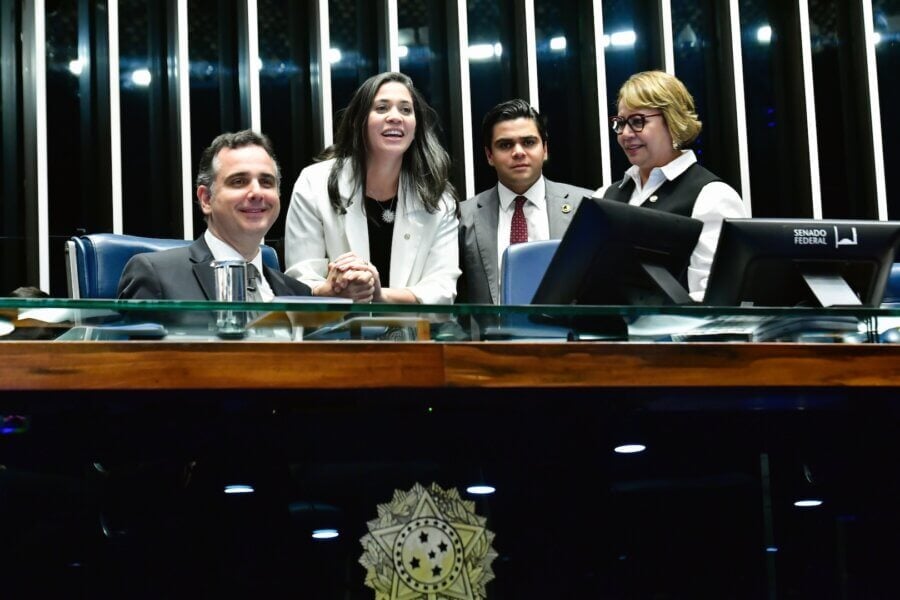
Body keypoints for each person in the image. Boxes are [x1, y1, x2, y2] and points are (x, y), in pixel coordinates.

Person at [284, 72, 460, 304]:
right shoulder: (314, 182)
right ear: (358, 121)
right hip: (334, 334)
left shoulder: (438, 197)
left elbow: (442, 289)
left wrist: (379, 296)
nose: (395, 117)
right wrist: (331, 289)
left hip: (414, 337)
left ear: (416, 126)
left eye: (406, 110)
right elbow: (300, 278)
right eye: (382, 108)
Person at [595, 70, 747, 301]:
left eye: (637, 122)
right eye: (620, 123)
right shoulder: (604, 195)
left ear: (673, 120)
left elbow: (715, 300)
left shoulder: (712, 196)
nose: (625, 134)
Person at [117, 130, 311, 300]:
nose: (257, 193)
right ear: (206, 199)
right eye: (238, 181)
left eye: (266, 182)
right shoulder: (156, 275)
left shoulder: (297, 292)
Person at [458, 99, 592, 304]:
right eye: (505, 145)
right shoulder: (463, 217)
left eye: (529, 142)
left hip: (567, 334)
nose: (518, 152)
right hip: (491, 335)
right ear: (489, 155)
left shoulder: (586, 207)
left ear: (545, 149)